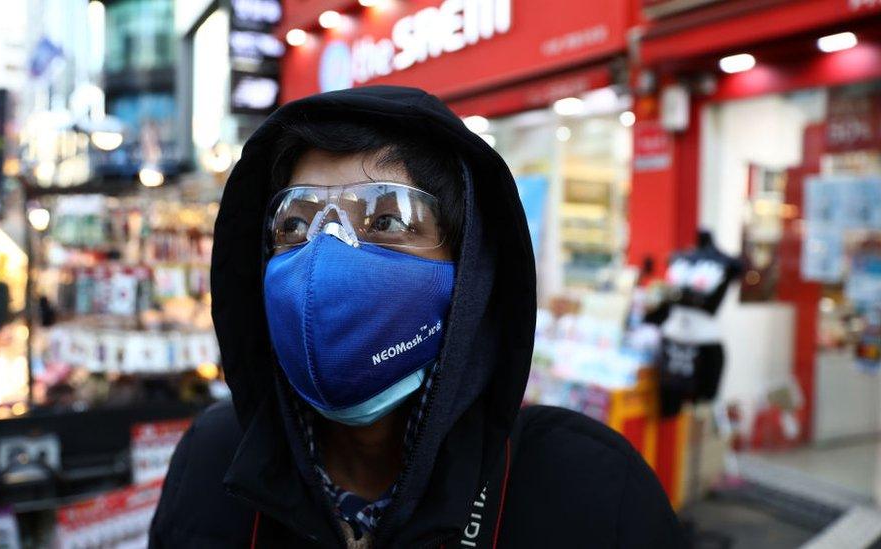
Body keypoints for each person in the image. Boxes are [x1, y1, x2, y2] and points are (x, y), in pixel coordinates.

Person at [150, 86, 687, 548]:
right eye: (294, 226)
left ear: (470, 270)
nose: (324, 258)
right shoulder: (211, 462)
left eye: (386, 220)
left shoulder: (587, 492)